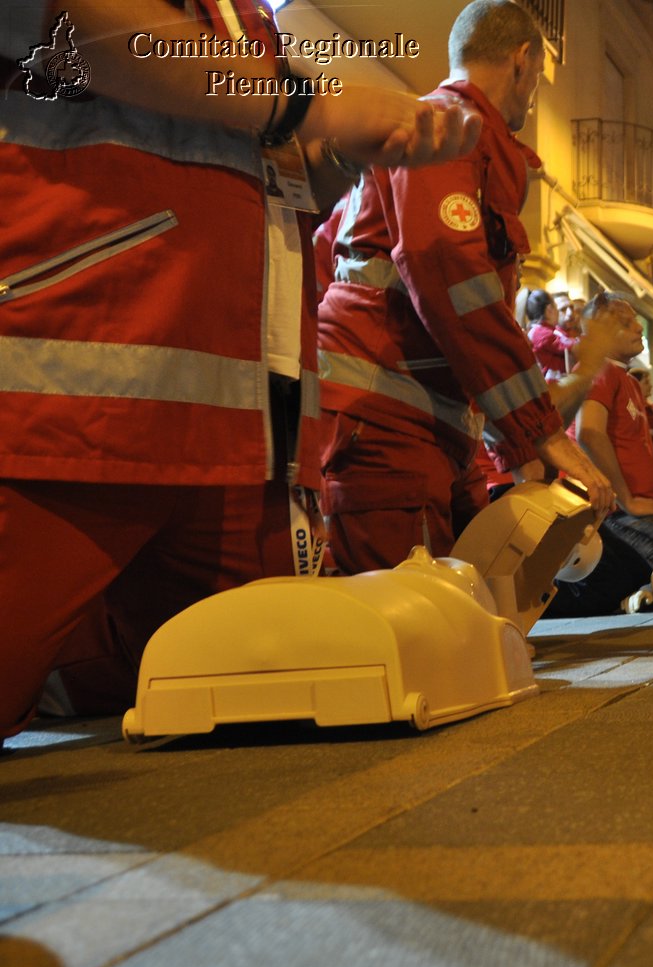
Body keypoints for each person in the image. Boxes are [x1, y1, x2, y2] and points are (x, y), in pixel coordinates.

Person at [0, 0, 479, 738]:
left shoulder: (240, 17)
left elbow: (275, 183)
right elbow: (76, 23)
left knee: (257, 699)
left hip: (234, 456)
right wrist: (311, 104)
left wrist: (354, 151)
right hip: (66, 418)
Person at [316, 0, 615, 575]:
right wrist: (540, 435)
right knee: (415, 624)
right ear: (524, 60)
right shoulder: (449, 130)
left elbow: (331, 254)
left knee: (460, 611)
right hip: (390, 417)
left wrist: (515, 439)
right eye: (536, 82)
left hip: (414, 417)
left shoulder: (440, 132)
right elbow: (453, 277)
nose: (533, 96)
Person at [554, 293, 653, 615]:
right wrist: (628, 500)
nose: (639, 328)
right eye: (625, 323)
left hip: (634, 507)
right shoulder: (601, 373)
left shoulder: (625, 379)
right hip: (615, 514)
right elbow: (589, 433)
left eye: (636, 320)